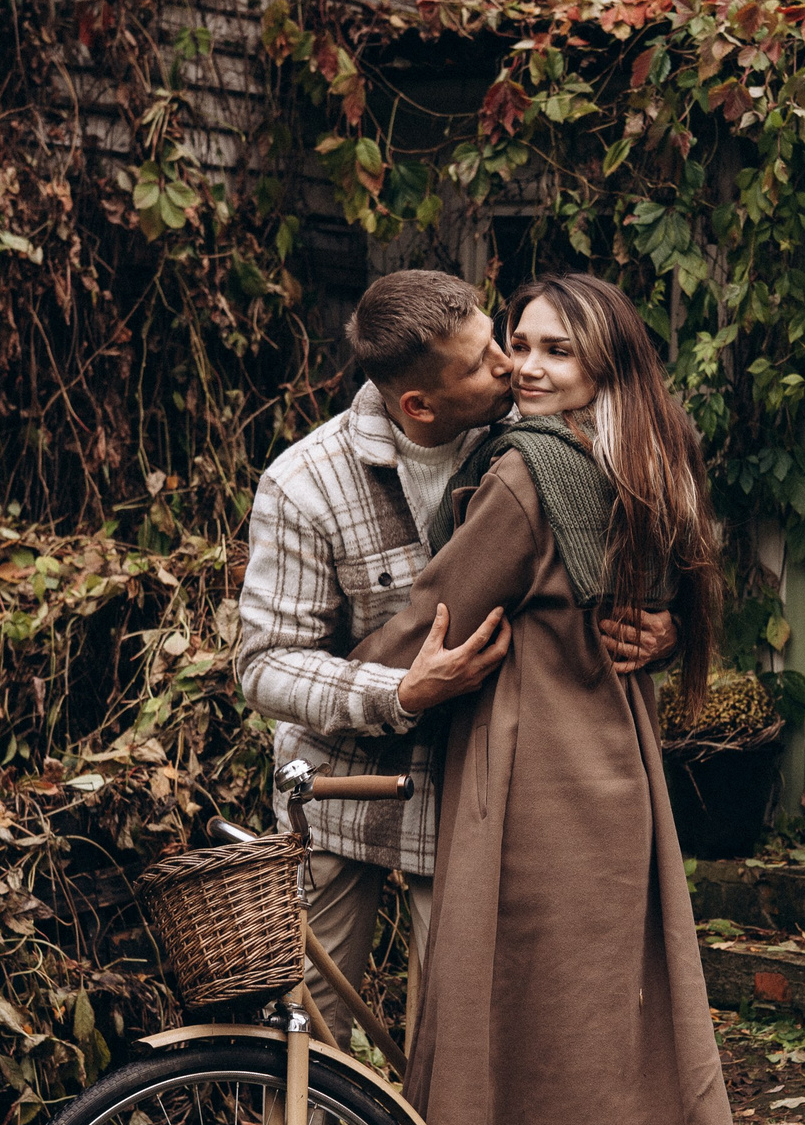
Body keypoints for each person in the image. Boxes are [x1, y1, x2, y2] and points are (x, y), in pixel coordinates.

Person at [353, 272, 738, 1125]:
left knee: (488, 1020)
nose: (525, 365)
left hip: (528, 785)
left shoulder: (527, 473)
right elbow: (669, 601)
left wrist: (347, 681)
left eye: (554, 351)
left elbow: (438, 607)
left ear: (601, 372)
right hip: (613, 773)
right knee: (609, 1022)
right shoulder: (639, 461)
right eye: (516, 343)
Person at [234, 270, 673, 1041]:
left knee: (462, 1036)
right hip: (342, 783)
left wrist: (661, 626)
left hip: (465, 795)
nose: (509, 365)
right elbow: (263, 663)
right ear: (419, 404)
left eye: (495, 339)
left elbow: (626, 549)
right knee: (309, 1030)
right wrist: (400, 692)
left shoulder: (532, 441)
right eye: (481, 364)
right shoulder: (306, 484)